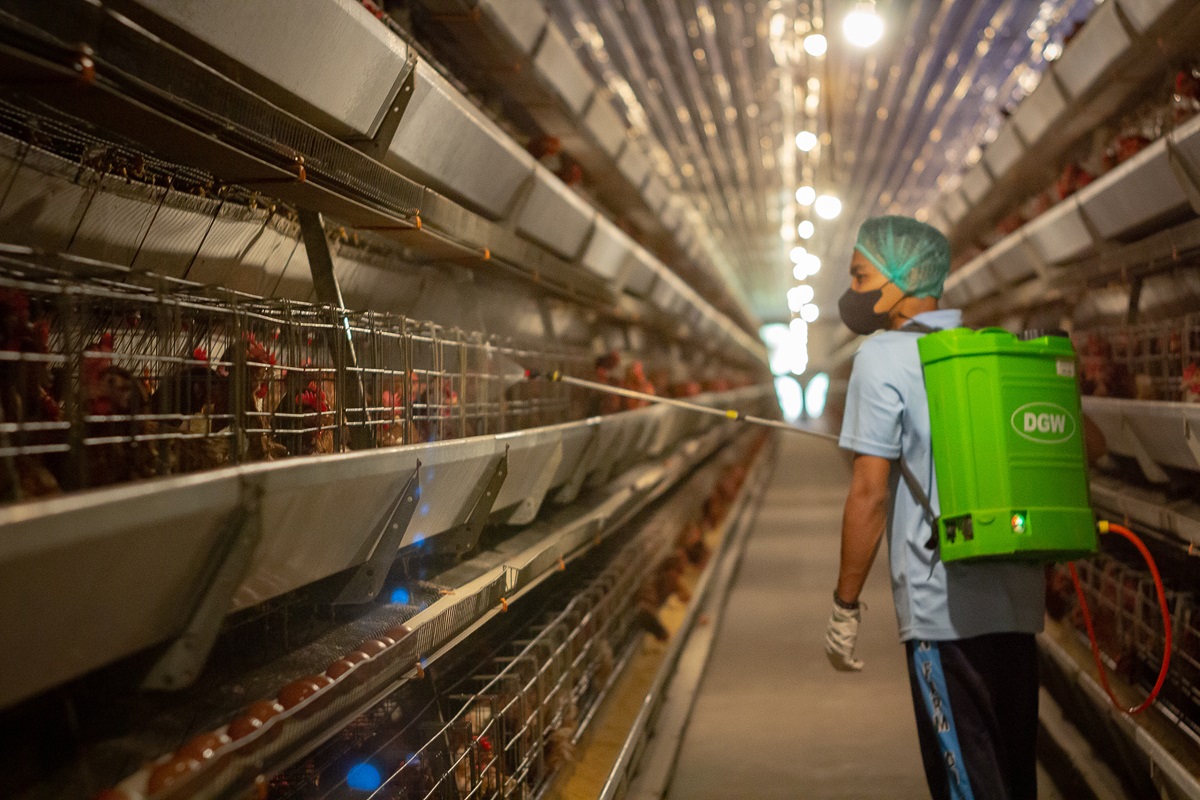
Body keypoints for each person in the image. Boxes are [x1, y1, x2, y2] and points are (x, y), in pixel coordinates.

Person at [825, 216, 1045, 800]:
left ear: (901, 279)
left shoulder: (881, 358)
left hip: (941, 606)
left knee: (964, 783)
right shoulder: (990, 351)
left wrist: (845, 606)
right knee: (1012, 778)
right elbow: (1084, 441)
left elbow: (869, 494)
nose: (854, 290)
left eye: (861, 275)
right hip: (1019, 602)